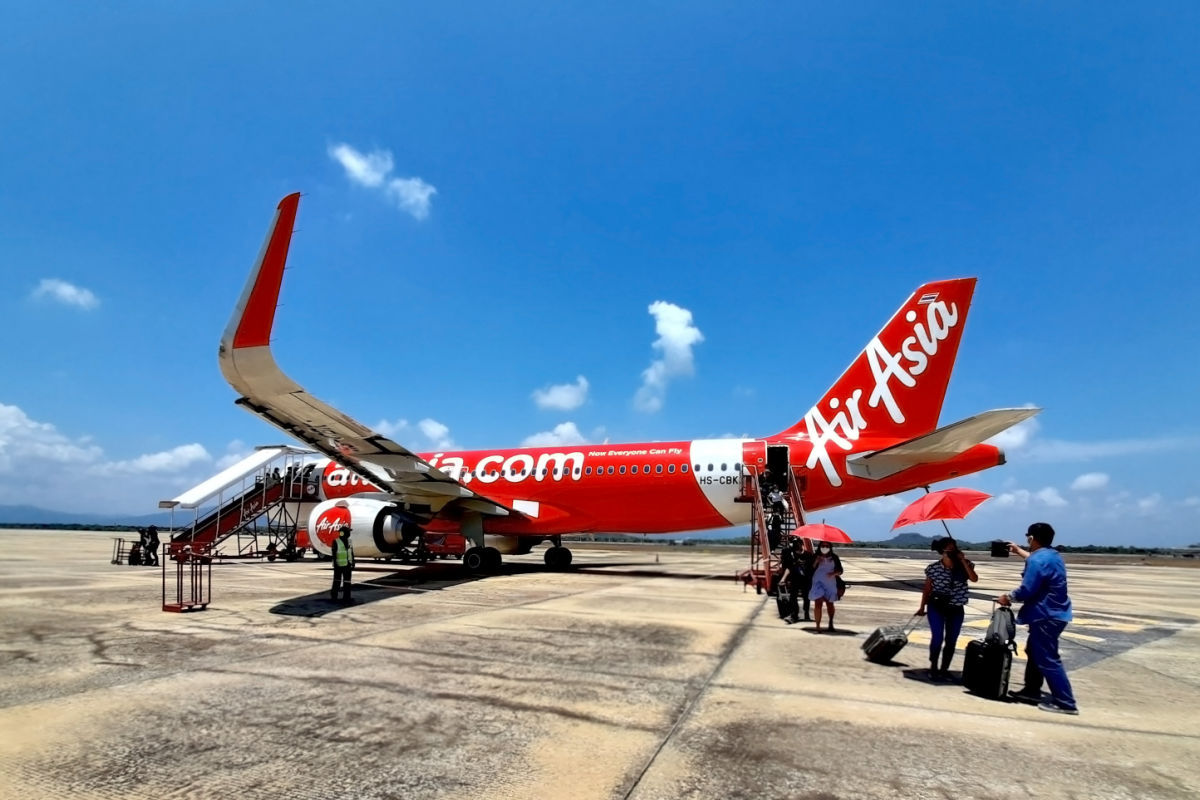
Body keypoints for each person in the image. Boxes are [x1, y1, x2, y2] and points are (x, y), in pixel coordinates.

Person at [998, 522, 1078, 715]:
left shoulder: (1037, 560)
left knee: (1048, 658)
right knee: (1034, 651)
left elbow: (1027, 589)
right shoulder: (1053, 555)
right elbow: (1038, 562)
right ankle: (1031, 690)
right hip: (1056, 613)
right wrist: (1019, 551)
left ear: (1032, 538)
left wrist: (1007, 598)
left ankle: (1066, 702)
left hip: (1046, 615)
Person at [917, 536, 978, 680]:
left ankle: (944, 669)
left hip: (956, 607)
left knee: (951, 640)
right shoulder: (933, 568)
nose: (950, 552)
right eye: (947, 550)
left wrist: (963, 560)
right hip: (936, 606)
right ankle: (933, 666)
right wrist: (922, 607)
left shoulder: (965, 565)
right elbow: (927, 588)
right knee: (937, 637)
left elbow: (974, 579)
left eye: (953, 548)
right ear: (941, 552)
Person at [808, 540, 843, 632]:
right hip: (817, 582)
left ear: (830, 547)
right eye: (823, 545)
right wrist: (816, 562)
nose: (824, 547)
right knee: (818, 602)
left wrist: (833, 573)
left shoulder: (834, 557)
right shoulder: (815, 556)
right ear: (819, 547)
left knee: (830, 604)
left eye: (827, 546)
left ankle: (831, 622)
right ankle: (818, 626)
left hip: (830, 583)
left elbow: (840, 570)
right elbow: (809, 569)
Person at [330, 525, 356, 603]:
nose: (349, 533)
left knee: (347, 582)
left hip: (348, 565)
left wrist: (353, 562)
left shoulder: (349, 541)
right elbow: (334, 555)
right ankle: (334, 597)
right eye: (348, 532)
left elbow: (351, 552)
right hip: (339, 565)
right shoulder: (336, 541)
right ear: (342, 533)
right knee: (337, 582)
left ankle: (347, 597)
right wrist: (335, 564)